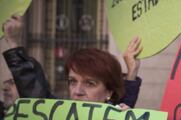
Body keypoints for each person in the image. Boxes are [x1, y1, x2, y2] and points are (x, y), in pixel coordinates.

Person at [2, 15, 143, 107]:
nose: (77, 91)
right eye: (72, 81)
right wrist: (14, 43)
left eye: (90, 83)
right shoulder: (59, 118)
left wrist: (132, 72)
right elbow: (35, 94)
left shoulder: (119, 118)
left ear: (109, 92)